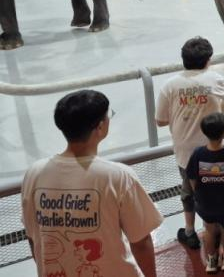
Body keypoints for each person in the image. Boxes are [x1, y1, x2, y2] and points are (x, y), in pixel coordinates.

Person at [21, 90, 163, 277]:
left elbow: (33, 237)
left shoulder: (34, 174)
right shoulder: (118, 177)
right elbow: (141, 242)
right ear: (100, 127)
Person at [155, 37, 224, 249]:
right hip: (215, 149)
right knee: (217, 188)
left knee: (189, 191)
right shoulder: (214, 79)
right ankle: (216, 228)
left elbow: (160, 120)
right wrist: (216, 114)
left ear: (183, 59)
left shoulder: (170, 85)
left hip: (186, 153)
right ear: (208, 60)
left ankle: (190, 232)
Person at [186, 113, 224, 273]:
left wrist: (198, 192)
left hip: (205, 202)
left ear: (204, 132)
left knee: (209, 229)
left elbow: (192, 177)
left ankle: (211, 261)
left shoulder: (198, 154)